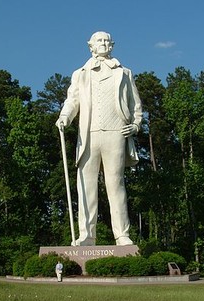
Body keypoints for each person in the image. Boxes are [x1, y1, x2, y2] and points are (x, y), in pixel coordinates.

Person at [56, 31, 142, 246]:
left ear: (112, 45)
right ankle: (87, 235)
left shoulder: (125, 73)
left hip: (116, 132)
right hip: (89, 135)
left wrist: (136, 125)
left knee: (116, 185)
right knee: (86, 186)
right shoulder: (80, 74)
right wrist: (64, 117)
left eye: (106, 40)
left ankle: (122, 235)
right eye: (99, 41)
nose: (103, 43)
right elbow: (72, 100)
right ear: (91, 46)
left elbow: (135, 105)